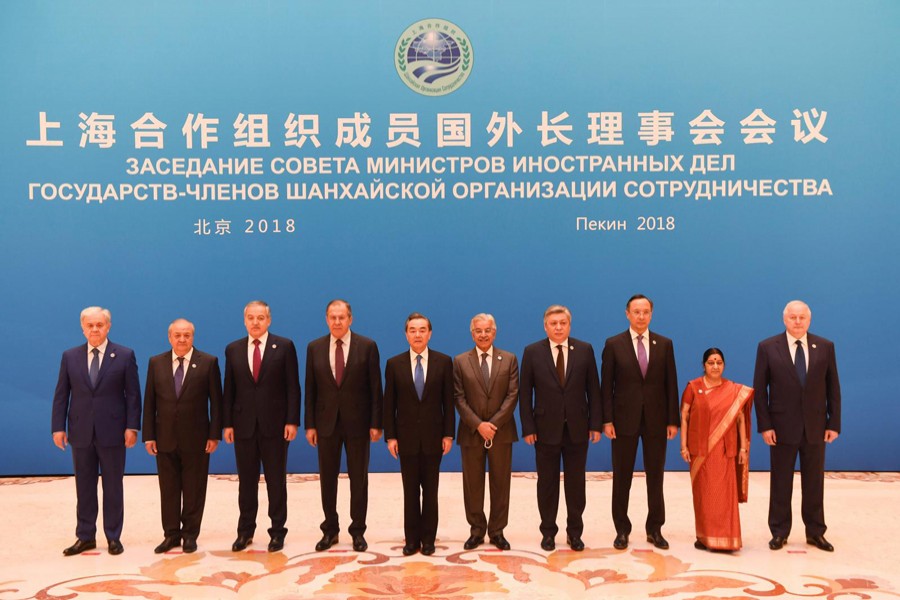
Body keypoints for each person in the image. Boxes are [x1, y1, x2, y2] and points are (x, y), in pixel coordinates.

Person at [51, 306, 141, 556]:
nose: (94, 329)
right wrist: (58, 427)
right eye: (89, 325)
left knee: (113, 486)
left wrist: (132, 427)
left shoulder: (124, 355)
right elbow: (61, 395)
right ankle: (85, 536)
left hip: (113, 432)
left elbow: (133, 395)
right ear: (82, 328)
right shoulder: (70, 356)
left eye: (99, 325)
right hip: (80, 432)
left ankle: (113, 536)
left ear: (108, 326)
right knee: (84, 487)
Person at [754, 300, 841, 552]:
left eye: (802, 317)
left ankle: (815, 532)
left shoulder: (825, 346)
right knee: (780, 482)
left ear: (809, 320)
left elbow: (833, 388)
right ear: (784, 319)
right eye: (793, 317)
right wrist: (765, 426)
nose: (797, 321)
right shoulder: (768, 347)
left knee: (814, 482)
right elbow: (760, 391)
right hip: (780, 428)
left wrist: (833, 422)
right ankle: (779, 532)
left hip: (815, 427)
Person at [519, 305, 602, 552]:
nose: (558, 327)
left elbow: (593, 391)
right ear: (545, 326)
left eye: (562, 323)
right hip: (544, 430)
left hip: (578, 429)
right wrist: (528, 427)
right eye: (553, 323)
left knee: (576, 485)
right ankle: (548, 532)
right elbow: (525, 394)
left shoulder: (585, 350)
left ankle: (574, 532)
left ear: (569, 325)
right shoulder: (532, 352)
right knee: (547, 483)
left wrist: (595, 424)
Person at [601, 294, 678, 550]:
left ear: (651, 314)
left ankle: (655, 528)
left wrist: (672, 420)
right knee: (622, 477)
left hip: (656, 420)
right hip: (623, 421)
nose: (641, 316)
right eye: (636, 312)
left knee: (655, 476)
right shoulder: (614, 344)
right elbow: (606, 387)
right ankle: (622, 529)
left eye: (646, 312)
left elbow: (671, 384)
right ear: (627, 314)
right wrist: (607, 420)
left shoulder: (665, 344)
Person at [305, 299, 383, 552]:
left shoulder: (367, 346)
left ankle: (357, 530)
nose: (337, 322)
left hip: (358, 424)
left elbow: (375, 388)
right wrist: (310, 425)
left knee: (358, 479)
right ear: (326, 319)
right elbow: (311, 389)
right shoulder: (314, 347)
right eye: (332, 317)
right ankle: (330, 529)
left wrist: (375, 423)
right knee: (327, 479)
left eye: (342, 317)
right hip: (326, 424)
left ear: (350, 319)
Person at [223, 301, 301, 553]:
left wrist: (292, 420)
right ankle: (245, 531)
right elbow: (229, 390)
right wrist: (227, 424)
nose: (255, 322)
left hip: (275, 427)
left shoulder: (285, 346)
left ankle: (277, 532)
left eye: (260, 318)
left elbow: (293, 387)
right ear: (244, 320)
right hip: (243, 426)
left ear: (269, 320)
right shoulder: (233, 349)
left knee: (276, 481)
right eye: (251, 318)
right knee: (246, 482)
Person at [142, 318, 223, 554]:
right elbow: (150, 401)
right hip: (164, 438)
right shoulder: (156, 363)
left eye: (187, 335)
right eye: (177, 335)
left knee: (194, 488)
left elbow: (216, 403)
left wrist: (214, 434)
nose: (182, 339)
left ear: (193, 337)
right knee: (168, 489)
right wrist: (149, 435)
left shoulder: (208, 362)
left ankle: (190, 534)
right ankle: (171, 535)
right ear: (169, 337)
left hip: (197, 439)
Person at [383, 313, 455, 556]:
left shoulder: (444, 362)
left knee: (431, 492)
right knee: (410, 492)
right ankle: (411, 539)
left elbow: (448, 401)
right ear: (406, 334)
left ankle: (429, 539)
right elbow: (389, 404)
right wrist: (391, 437)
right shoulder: (394, 364)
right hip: (406, 440)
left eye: (422, 330)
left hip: (434, 439)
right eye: (412, 330)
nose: (417, 334)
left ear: (430, 334)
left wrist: (448, 435)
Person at [453, 313, 519, 551]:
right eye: (478, 331)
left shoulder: (509, 359)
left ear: (495, 332)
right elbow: (458, 398)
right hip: (471, 433)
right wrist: (478, 425)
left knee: (501, 483)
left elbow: (513, 396)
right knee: (473, 484)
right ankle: (477, 530)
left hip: (501, 433)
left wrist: (493, 425)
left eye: (487, 330)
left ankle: (497, 531)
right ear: (472, 334)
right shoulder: (460, 361)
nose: (483, 334)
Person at [679, 348, 753, 552]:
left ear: (724, 365)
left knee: (723, 495)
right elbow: (684, 416)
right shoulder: (693, 387)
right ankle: (704, 537)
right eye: (711, 362)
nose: (715, 366)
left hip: (724, 451)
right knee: (704, 495)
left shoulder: (733, 389)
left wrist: (743, 448)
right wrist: (683, 445)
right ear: (704, 365)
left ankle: (727, 538)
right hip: (700, 451)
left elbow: (739, 419)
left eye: (719, 362)